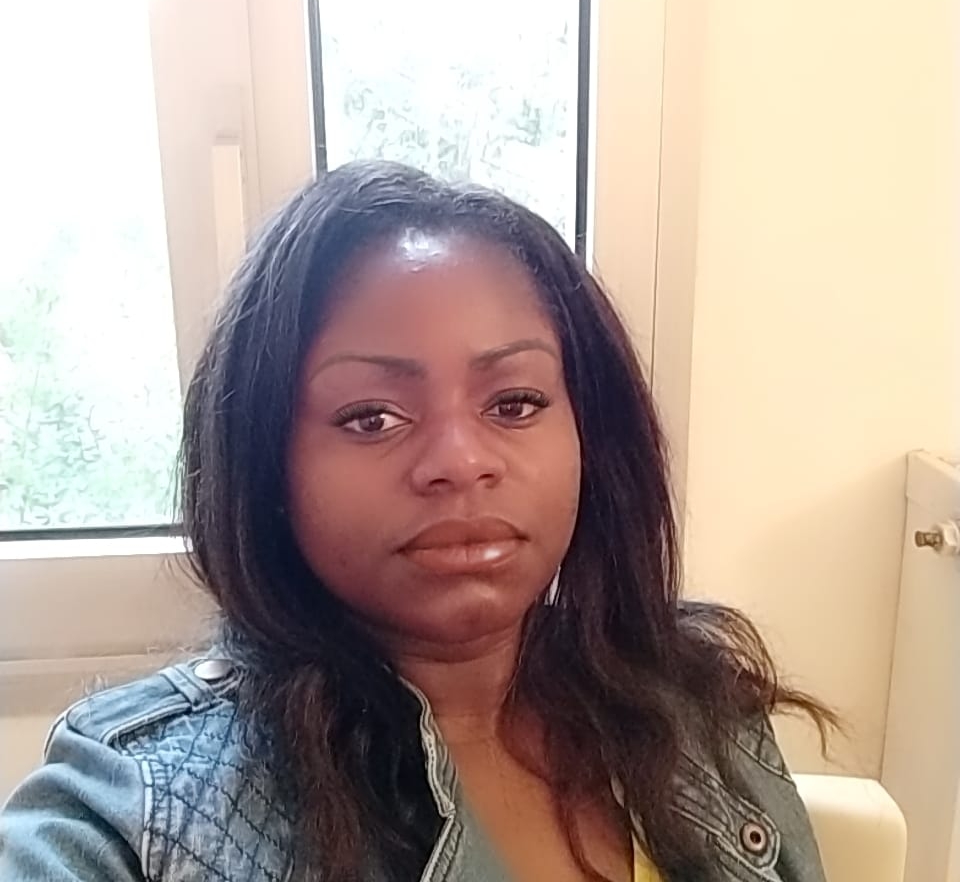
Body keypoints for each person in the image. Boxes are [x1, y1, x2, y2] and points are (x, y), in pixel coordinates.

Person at [0, 161, 834, 882]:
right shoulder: (135, 805)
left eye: (515, 403)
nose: (461, 461)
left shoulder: (692, 708)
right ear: (266, 464)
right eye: (371, 417)